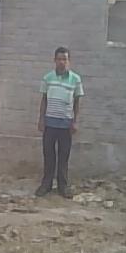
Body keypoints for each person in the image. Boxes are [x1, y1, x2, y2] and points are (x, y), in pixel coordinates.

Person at [35, 46, 84, 198]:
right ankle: (46, 184)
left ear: (69, 61)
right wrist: (41, 119)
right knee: (48, 155)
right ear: (54, 60)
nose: (62, 62)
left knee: (64, 156)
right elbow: (44, 100)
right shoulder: (48, 78)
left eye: (65, 59)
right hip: (50, 123)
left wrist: (75, 121)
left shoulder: (75, 79)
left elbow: (77, 102)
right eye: (59, 59)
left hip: (65, 124)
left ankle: (63, 186)